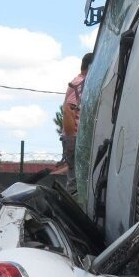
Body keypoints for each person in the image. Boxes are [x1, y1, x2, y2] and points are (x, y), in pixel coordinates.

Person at [62, 53, 92, 189]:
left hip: (73, 138)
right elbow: (69, 110)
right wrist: (72, 139)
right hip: (74, 138)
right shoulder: (80, 84)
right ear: (90, 66)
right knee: (76, 180)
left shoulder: (79, 82)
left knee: (77, 178)